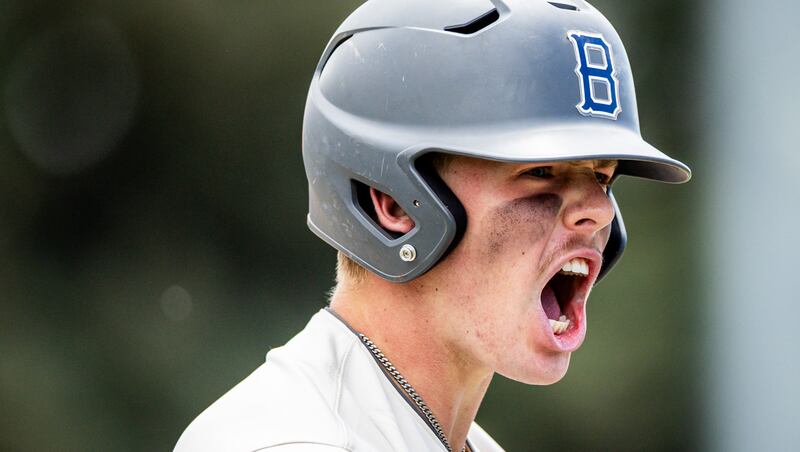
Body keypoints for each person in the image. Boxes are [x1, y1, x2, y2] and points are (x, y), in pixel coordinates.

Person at [175, 0, 691, 451]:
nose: (600, 209)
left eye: (601, 176)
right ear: (394, 203)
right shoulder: (288, 442)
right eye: (540, 172)